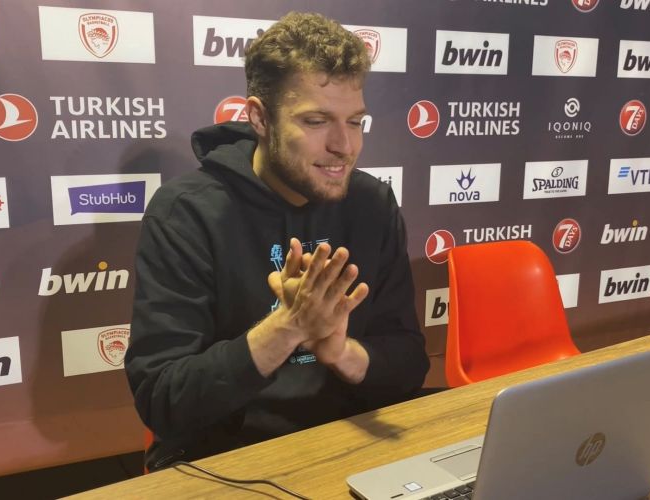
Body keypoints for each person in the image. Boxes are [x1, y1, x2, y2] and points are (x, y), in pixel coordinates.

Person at [125, 11, 430, 470]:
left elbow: (409, 363)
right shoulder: (185, 213)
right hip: (227, 459)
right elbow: (163, 401)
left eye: (355, 122)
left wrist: (340, 352)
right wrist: (288, 328)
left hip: (349, 443)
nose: (344, 145)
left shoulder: (372, 203)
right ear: (260, 117)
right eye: (316, 121)